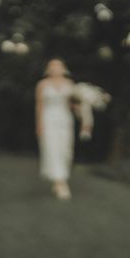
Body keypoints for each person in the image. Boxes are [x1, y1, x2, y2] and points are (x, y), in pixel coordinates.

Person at [35, 58, 76, 200]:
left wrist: (83, 101)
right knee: (52, 149)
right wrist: (39, 124)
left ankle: (59, 177)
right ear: (48, 69)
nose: (55, 68)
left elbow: (72, 105)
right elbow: (39, 105)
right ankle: (60, 183)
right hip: (48, 119)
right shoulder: (42, 84)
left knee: (64, 150)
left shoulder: (69, 84)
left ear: (63, 68)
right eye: (52, 66)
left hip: (65, 120)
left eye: (58, 66)